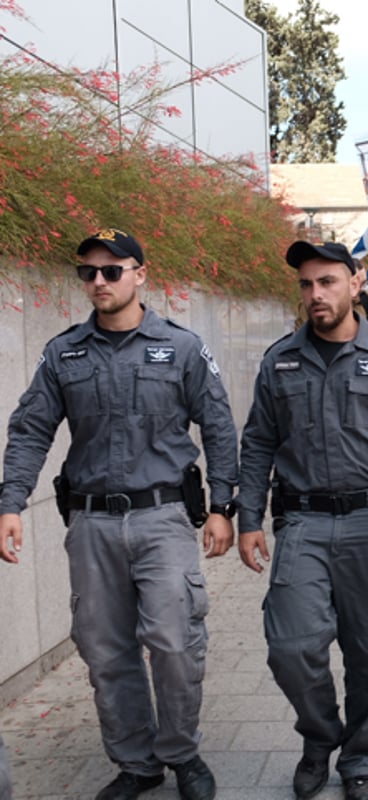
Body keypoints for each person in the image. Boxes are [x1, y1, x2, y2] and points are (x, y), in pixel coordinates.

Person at [0, 228, 237, 800]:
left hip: (163, 518)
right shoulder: (64, 353)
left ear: (140, 274)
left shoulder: (180, 348)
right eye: (88, 272)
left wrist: (225, 506)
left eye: (112, 270)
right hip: (92, 524)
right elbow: (31, 428)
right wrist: (10, 502)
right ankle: (137, 762)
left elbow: (221, 425)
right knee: (105, 649)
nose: (99, 281)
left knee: (175, 642)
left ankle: (181, 753)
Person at [237, 240, 368, 800]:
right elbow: (257, 444)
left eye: (326, 282)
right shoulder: (280, 360)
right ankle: (321, 736)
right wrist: (249, 516)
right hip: (301, 524)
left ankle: (359, 756)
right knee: (291, 647)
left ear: (354, 285)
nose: (315, 294)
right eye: (306, 285)